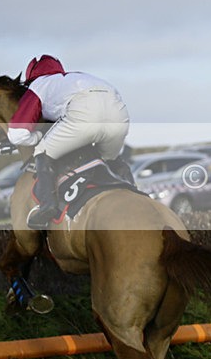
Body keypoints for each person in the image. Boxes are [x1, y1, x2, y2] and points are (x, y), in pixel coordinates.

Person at [7, 55, 130, 229]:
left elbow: (16, 134)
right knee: (110, 159)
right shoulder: (78, 77)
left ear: (31, 77)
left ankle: (47, 205)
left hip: (85, 114)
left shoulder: (38, 85)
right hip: (118, 113)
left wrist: (37, 138)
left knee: (42, 151)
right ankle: (133, 189)